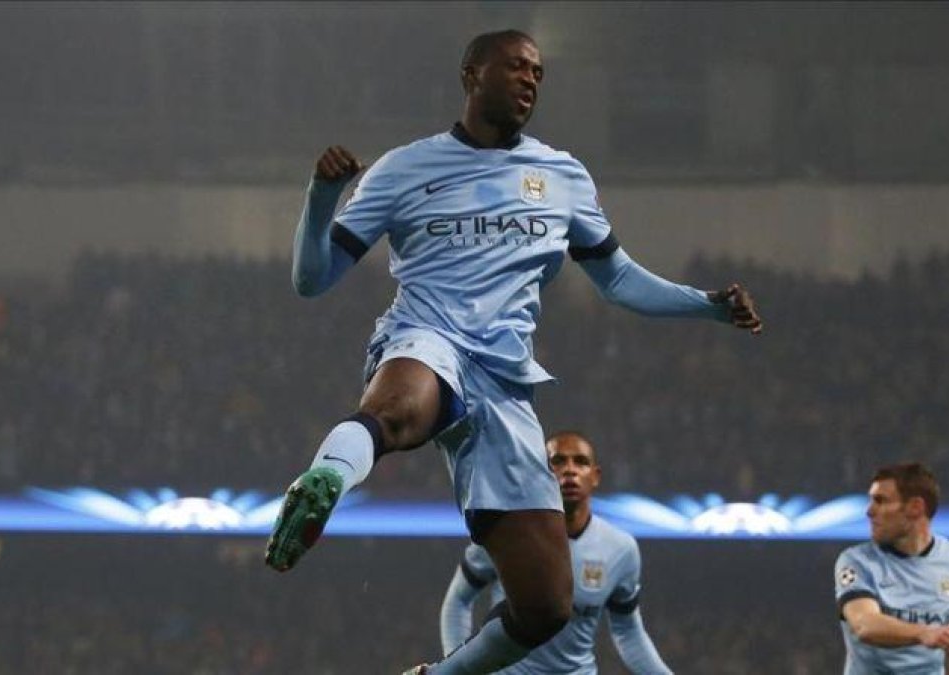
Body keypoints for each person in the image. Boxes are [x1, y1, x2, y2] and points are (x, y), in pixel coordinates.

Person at [263, 28, 761, 674]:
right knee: (395, 412)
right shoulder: (405, 167)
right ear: (472, 72)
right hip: (428, 336)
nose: (530, 79)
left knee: (547, 603)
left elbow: (618, 278)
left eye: (538, 73)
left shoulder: (561, 175)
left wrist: (706, 304)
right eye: (516, 66)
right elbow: (313, 279)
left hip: (506, 381)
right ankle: (327, 474)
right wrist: (320, 198)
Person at [439, 431, 672, 674]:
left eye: (580, 462)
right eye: (558, 461)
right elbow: (458, 601)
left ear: (595, 476)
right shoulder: (505, 533)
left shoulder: (621, 549)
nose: (570, 470)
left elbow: (628, 631)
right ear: (540, 471)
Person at [833, 463, 949, 675]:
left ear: (915, 507)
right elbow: (864, 625)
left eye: (880, 501)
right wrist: (923, 633)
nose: (869, 511)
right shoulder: (856, 561)